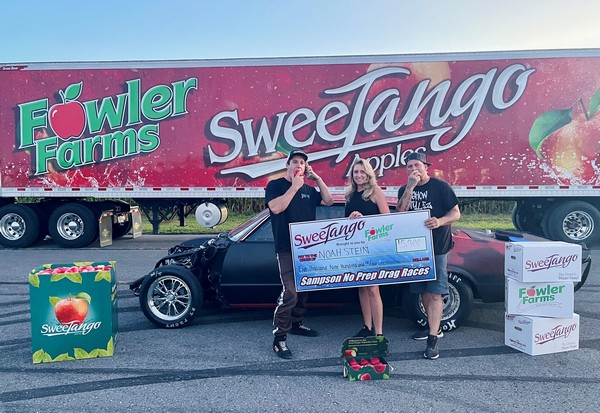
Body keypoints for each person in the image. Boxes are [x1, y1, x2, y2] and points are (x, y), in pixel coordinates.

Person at [265, 149, 334, 359]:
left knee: (304, 289)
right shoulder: (275, 185)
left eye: (302, 163)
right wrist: (294, 187)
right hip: (285, 248)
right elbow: (276, 208)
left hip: (306, 249)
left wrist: (317, 179)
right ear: (287, 165)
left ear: (306, 167)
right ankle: (279, 338)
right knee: (290, 293)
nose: (298, 165)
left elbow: (329, 200)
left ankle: (296, 323)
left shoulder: (309, 190)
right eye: (294, 162)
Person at [397, 152, 460, 360]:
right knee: (423, 290)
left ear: (426, 167)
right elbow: (400, 212)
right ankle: (434, 327)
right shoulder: (405, 189)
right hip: (416, 248)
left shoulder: (441, 187)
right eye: (409, 166)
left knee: (435, 293)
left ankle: (433, 340)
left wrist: (440, 221)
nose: (413, 169)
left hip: (438, 246)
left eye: (417, 165)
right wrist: (410, 187)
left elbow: (456, 213)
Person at [344, 158, 390, 338]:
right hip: (356, 248)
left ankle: (378, 333)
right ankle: (367, 326)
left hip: (374, 247)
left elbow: (387, 220)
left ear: (368, 173)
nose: (359, 175)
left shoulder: (375, 191)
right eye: (356, 172)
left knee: (373, 288)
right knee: (362, 287)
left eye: (362, 172)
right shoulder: (349, 195)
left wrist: (364, 219)